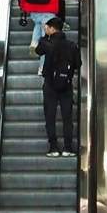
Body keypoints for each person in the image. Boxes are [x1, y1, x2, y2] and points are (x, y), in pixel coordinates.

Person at [36, 17, 82, 156]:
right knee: (67, 117)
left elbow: (38, 51)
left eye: (47, 27)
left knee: (50, 116)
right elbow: (78, 64)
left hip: (50, 85)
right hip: (66, 85)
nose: (45, 29)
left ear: (52, 29)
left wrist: (45, 37)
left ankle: (54, 148)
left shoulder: (45, 43)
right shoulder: (72, 45)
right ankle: (68, 148)